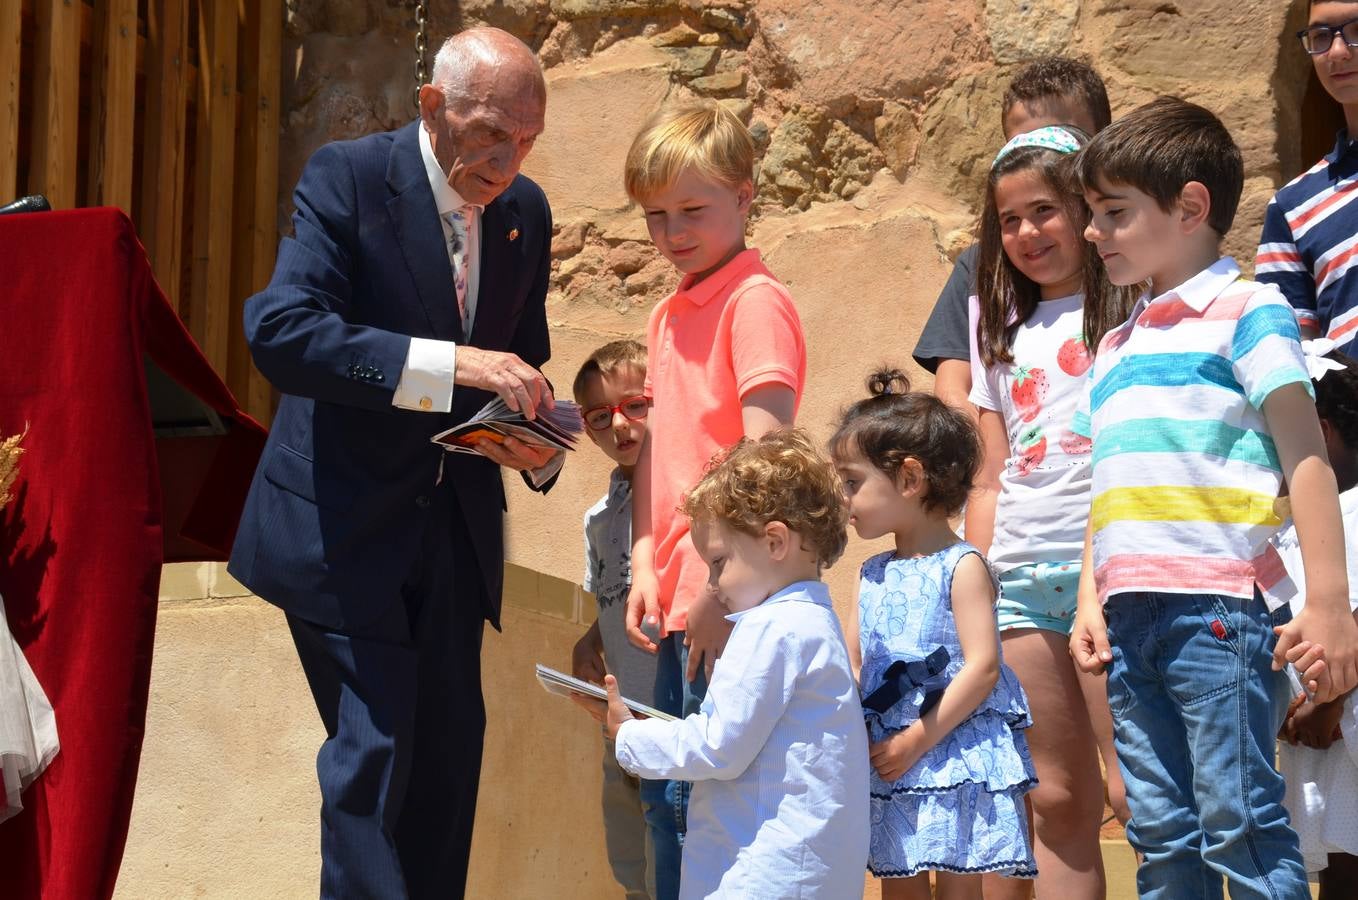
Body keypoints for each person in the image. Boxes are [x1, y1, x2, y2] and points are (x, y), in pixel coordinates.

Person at [229, 27, 558, 899]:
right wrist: (453, 365)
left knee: (447, 770)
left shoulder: (526, 214)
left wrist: (531, 439)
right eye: (490, 132)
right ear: (432, 108)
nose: (505, 160)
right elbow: (283, 335)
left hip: (454, 536)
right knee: (374, 760)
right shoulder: (348, 178)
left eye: (526, 140)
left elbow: (520, 363)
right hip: (342, 526)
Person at [1070, 95, 1358, 898]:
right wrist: (1091, 600)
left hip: (1219, 613)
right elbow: (1109, 487)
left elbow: (1305, 457)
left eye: (1113, 213)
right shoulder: (1116, 345)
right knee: (1160, 830)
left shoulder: (1249, 310)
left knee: (1238, 817)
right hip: (1130, 621)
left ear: (1190, 207)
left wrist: (1329, 603)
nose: (1094, 233)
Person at [619, 99, 807, 898]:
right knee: (667, 800)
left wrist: (716, 594)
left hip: (728, 596)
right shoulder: (666, 312)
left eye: (694, 210)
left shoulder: (753, 301)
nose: (673, 233)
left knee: (710, 804)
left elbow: (762, 458)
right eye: (657, 216)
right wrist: (641, 562)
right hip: (675, 595)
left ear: (746, 194)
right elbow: (657, 454)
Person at [961, 125, 1138, 899]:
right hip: (1023, 577)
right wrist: (969, 583)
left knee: (1138, 792)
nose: (1029, 233)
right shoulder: (994, 327)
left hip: (1118, 569)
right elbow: (990, 476)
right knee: (1056, 798)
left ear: (1084, 210)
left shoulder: (1136, 308)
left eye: (1045, 211)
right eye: (1010, 220)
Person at [603, 429, 869, 899]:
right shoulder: (813, 622)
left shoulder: (771, 627)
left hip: (760, 876)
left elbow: (717, 746)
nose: (714, 584)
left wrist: (629, 737)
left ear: (774, 542)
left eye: (719, 562)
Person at [831, 370, 1038, 899]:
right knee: (897, 884)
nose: (844, 498)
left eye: (853, 482)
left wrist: (916, 740)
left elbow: (983, 667)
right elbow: (854, 667)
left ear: (909, 478)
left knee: (957, 888)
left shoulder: (963, 565)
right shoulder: (870, 572)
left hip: (949, 748)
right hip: (887, 753)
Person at [913, 56, 1112, 411]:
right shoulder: (979, 268)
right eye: (1021, 144)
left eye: (1061, 138)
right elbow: (954, 387)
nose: (1040, 156)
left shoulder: (1129, 257)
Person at [567, 339, 659, 900]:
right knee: (631, 866)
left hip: (674, 721)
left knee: (674, 858)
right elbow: (613, 598)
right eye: (601, 416)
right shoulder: (599, 519)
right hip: (620, 722)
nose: (619, 425)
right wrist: (588, 640)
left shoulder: (689, 501)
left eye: (635, 405)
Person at [1272, 344, 1358, 898]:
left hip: (1339, 722)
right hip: (1318, 733)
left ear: (1320, 431)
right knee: (1339, 866)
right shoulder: (1308, 520)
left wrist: (1327, 704)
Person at [1256, 0, 1358, 358]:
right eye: (1321, 36)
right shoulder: (1291, 207)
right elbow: (1291, 357)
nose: (1338, 52)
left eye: (1357, 32)